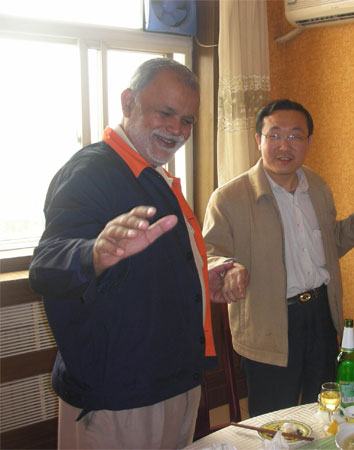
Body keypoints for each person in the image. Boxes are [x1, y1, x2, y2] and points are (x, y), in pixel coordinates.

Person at [29, 58, 232, 449]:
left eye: (187, 120)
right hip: (121, 398)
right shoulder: (92, 172)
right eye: (165, 113)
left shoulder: (151, 172)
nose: (177, 130)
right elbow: (46, 265)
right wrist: (94, 253)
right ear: (127, 103)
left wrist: (199, 282)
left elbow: (144, 271)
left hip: (170, 381)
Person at [202, 99, 354, 416]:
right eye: (274, 135)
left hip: (320, 316)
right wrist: (228, 269)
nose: (284, 146)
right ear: (258, 139)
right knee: (274, 419)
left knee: (324, 412)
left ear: (309, 142)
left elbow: (329, 245)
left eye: (295, 136)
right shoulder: (229, 198)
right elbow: (210, 253)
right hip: (269, 323)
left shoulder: (317, 187)